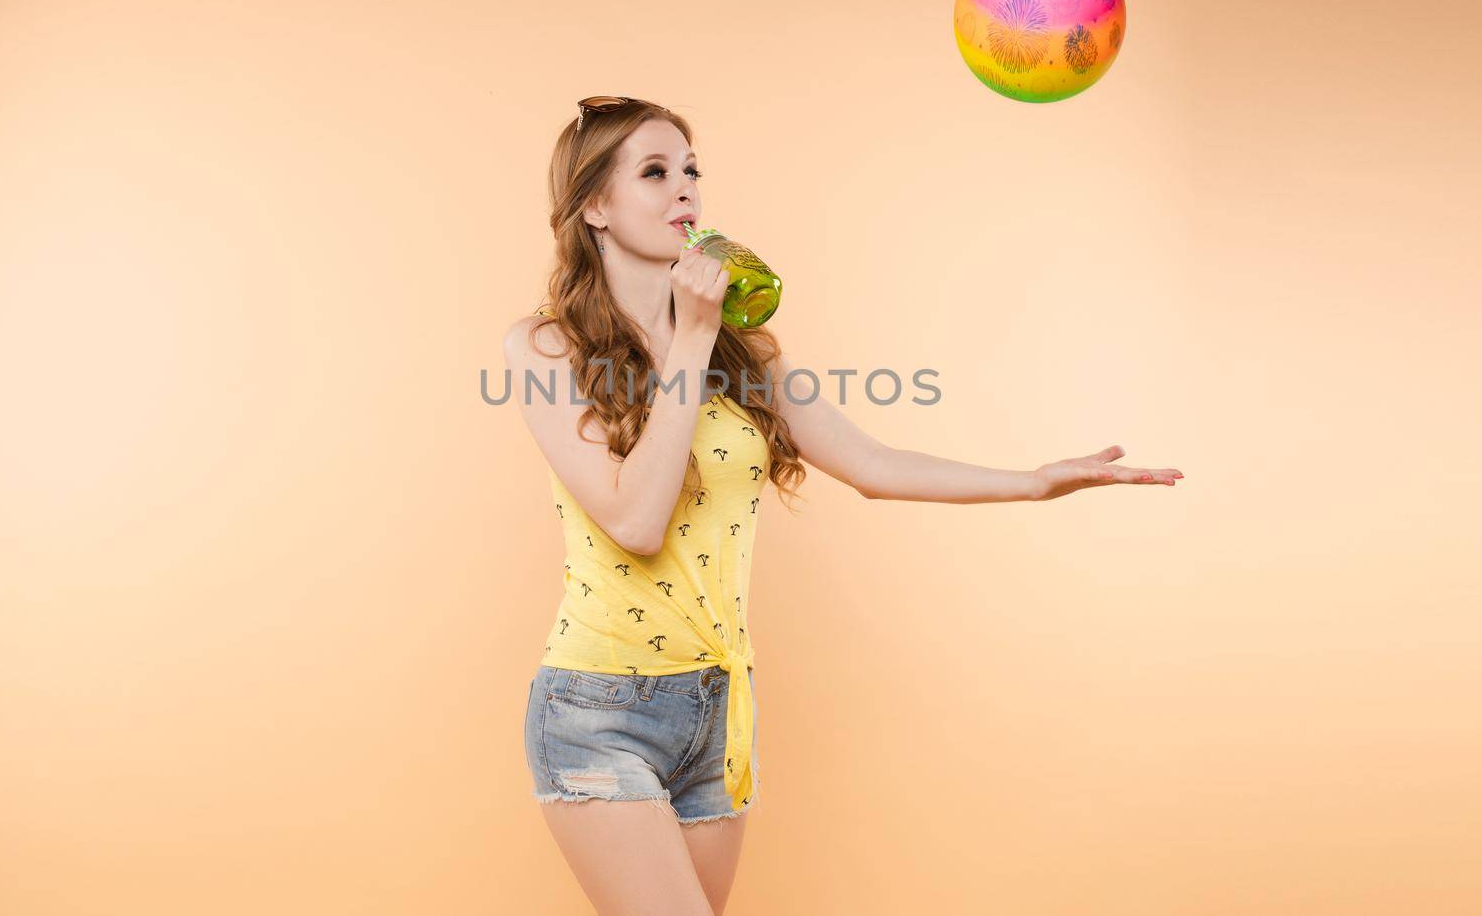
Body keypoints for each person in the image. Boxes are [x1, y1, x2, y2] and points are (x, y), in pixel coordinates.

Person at [502, 96, 1184, 916]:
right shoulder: (546, 347)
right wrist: (688, 337)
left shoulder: (741, 354)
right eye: (655, 171)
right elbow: (636, 520)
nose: (685, 187)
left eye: (692, 169)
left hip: (717, 712)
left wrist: (1032, 480)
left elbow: (870, 462)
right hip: (598, 707)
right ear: (595, 207)